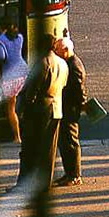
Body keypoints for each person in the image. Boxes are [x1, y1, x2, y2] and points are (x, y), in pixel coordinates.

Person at [16, 33, 68, 190]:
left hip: (40, 110)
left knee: (30, 148)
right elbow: (63, 85)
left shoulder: (43, 63)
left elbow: (32, 90)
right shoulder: (62, 63)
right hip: (56, 108)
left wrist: (24, 107)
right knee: (49, 150)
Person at [53, 35, 88, 187]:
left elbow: (79, 91)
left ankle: (74, 175)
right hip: (66, 108)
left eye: (58, 50)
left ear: (66, 50)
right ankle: (69, 173)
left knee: (71, 143)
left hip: (70, 110)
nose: (55, 52)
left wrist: (82, 105)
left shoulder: (74, 66)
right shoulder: (69, 62)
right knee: (65, 142)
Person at [0, 20, 27, 144]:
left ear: (1, 27)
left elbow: (1, 57)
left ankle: (17, 137)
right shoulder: (19, 37)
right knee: (17, 101)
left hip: (10, 76)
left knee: (10, 107)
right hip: (23, 72)